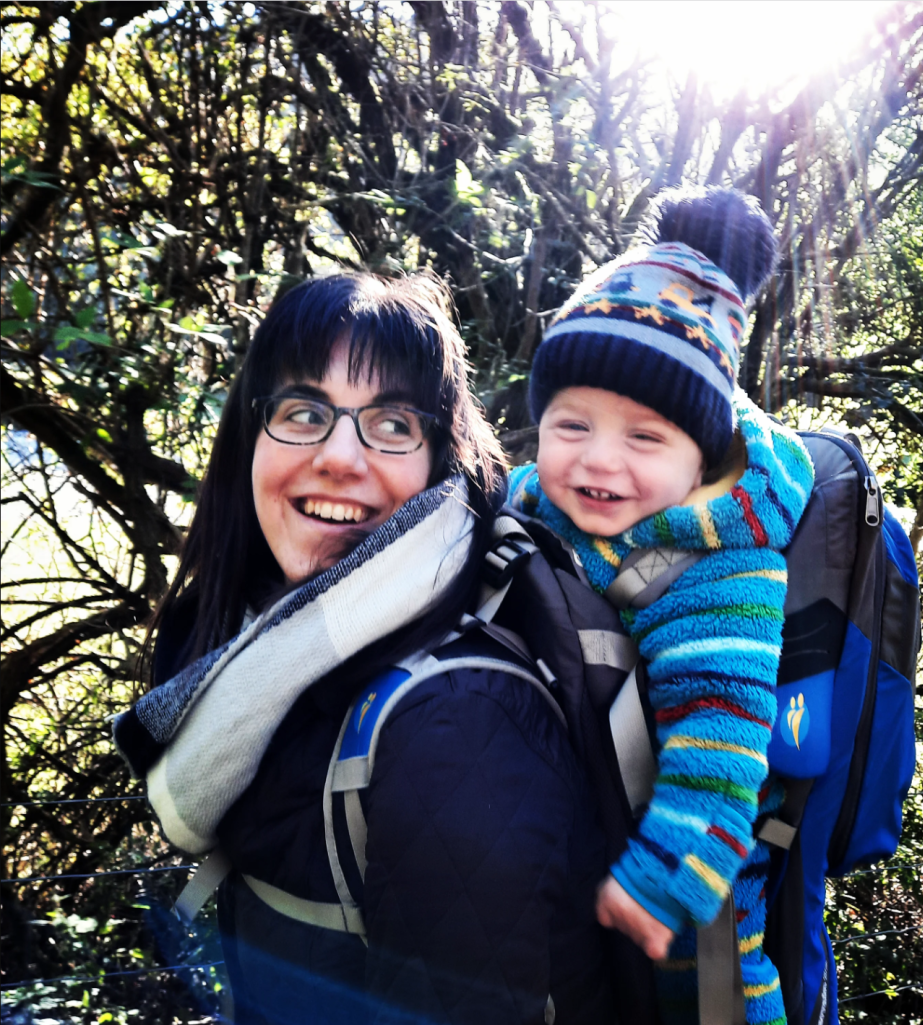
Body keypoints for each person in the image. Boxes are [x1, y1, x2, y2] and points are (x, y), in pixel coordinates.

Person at [114, 273, 614, 1025]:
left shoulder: (456, 722)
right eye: (304, 411)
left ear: (438, 458)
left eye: (391, 424)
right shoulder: (258, 662)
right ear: (248, 436)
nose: (341, 457)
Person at [508, 186, 815, 1024]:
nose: (599, 461)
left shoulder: (718, 566)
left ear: (700, 456)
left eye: (644, 437)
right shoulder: (533, 501)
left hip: (691, 926)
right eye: (571, 424)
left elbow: (722, 746)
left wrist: (659, 878)